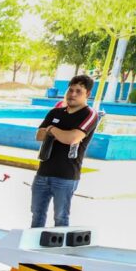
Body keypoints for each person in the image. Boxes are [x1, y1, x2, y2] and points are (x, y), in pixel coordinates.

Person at [31, 75, 98, 228]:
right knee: (37, 213)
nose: (73, 94)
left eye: (78, 91)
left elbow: (72, 138)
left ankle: (59, 250)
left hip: (66, 176)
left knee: (61, 217)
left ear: (87, 94)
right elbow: (39, 135)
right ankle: (34, 248)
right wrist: (58, 133)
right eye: (71, 90)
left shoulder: (89, 114)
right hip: (43, 173)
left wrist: (52, 129)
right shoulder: (55, 113)